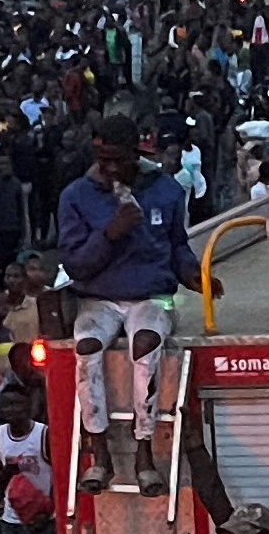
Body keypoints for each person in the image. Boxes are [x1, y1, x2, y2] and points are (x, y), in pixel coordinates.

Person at [56, 105, 191, 492]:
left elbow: (178, 246)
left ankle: (143, 451)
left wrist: (196, 275)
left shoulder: (167, 190)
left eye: (118, 159)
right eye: (103, 160)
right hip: (98, 298)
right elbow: (75, 264)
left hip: (152, 296)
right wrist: (109, 234)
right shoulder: (76, 196)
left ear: (137, 151)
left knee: (145, 344)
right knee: (86, 348)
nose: (111, 169)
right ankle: (100, 454)